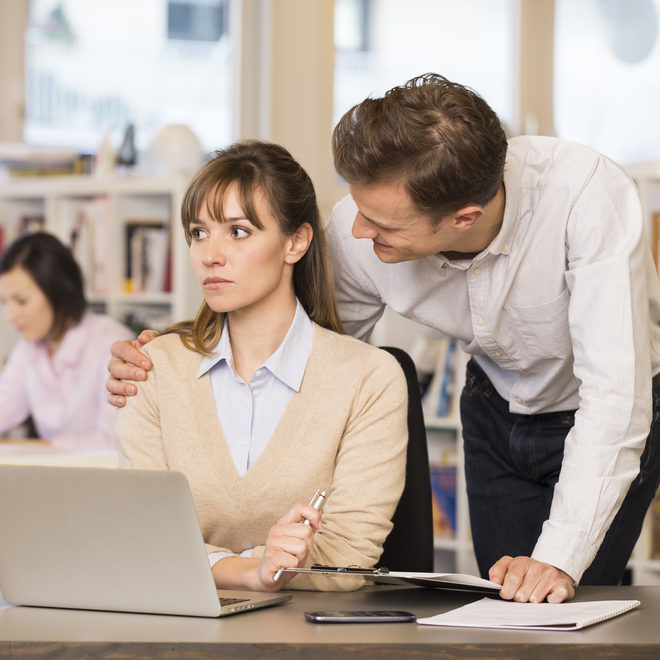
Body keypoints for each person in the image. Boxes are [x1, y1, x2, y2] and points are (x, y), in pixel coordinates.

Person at [107, 73, 660, 603]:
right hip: (494, 403)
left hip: (606, 408)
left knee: (562, 600)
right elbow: (305, 346)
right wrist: (172, 353)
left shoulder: (586, 202)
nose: (355, 232)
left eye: (383, 227)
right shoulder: (365, 219)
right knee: (509, 614)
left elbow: (615, 395)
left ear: (464, 218)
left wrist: (560, 557)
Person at [113, 140, 408, 593]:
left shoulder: (370, 378)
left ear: (295, 242)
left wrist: (210, 563)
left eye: (238, 231)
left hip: (308, 639)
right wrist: (255, 569)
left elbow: (348, 560)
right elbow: (140, 544)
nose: (210, 254)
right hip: (180, 633)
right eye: (198, 232)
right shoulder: (150, 368)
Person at [0, 231, 133, 449]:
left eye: (21, 301)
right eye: (5, 302)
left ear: (59, 292)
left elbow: (114, 443)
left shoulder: (111, 342)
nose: (10, 316)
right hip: (55, 478)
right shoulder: (28, 349)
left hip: (106, 478)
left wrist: (37, 447)